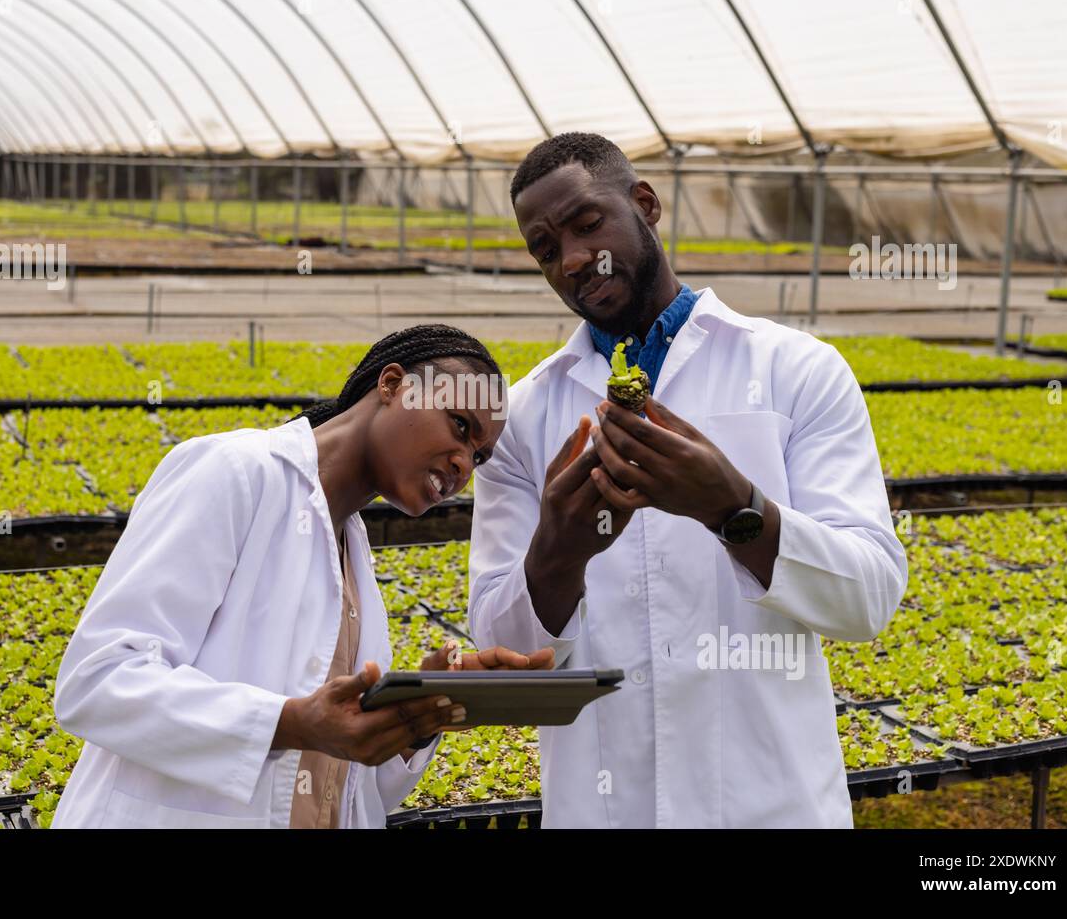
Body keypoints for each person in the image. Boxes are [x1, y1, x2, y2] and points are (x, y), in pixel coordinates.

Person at [468, 133, 907, 827]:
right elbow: (509, 661)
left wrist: (735, 507)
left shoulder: (799, 371)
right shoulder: (525, 416)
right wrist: (559, 549)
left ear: (645, 204)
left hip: (773, 805)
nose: (575, 259)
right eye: (546, 249)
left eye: (588, 224)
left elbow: (869, 596)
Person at [52, 324, 552, 828]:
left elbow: (345, 786)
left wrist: (418, 714)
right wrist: (290, 723)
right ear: (393, 384)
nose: (464, 463)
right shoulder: (234, 473)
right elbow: (98, 679)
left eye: (480, 456)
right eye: (461, 427)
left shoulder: (352, 552)